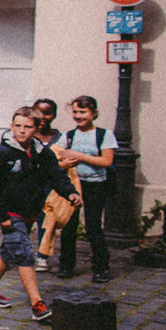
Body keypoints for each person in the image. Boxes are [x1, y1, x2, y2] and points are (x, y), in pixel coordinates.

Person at [0, 106, 81, 322]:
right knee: (24, 253)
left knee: (10, 249)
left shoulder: (43, 153)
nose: (22, 131)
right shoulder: (2, 154)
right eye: (18, 126)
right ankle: (37, 304)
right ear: (12, 126)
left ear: (36, 129)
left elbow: (56, 176)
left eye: (27, 127)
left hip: (29, 212)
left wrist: (70, 193)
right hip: (9, 211)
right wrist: (1, 215)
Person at [54, 95, 116, 283]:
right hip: (73, 184)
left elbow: (106, 160)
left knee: (93, 226)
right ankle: (66, 265)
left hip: (95, 185)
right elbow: (56, 156)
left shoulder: (103, 135)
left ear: (94, 113)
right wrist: (65, 161)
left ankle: (101, 267)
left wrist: (80, 156)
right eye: (75, 112)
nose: (78, 116)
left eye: (83, 112)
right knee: (69, 225)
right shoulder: (69, 135)